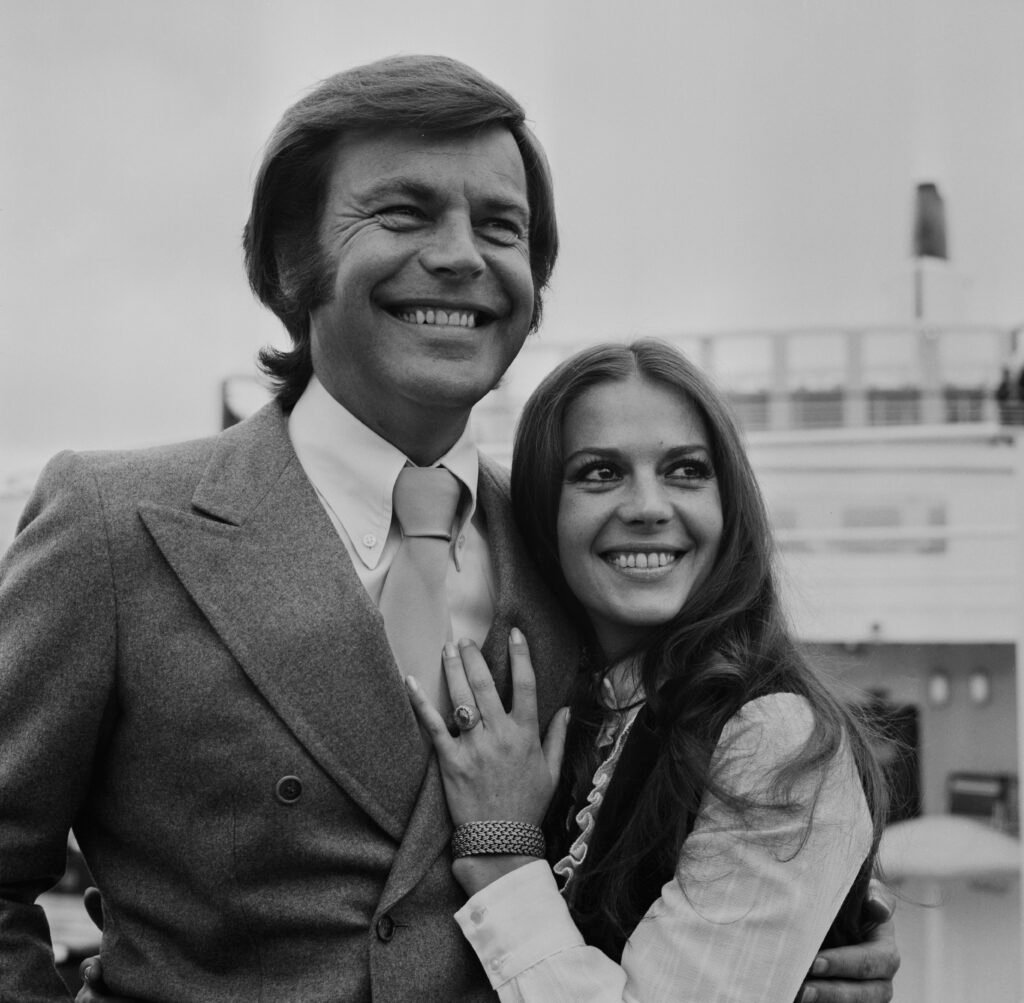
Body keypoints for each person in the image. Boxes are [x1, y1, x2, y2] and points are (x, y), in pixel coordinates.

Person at [0, 55, 897, 1002]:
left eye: (500, 226)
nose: (463, 254)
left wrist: (814, 941)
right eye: (404, 212)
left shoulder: (577, 561)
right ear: (291, 259)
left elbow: (680, 817)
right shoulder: (114, 526)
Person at [408, 339, 890, 1001]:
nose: (648, 506)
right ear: (545, 516)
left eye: (686, 470)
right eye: (600, 472)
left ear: (730, 504)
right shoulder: (575, 707)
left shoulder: (772, 738)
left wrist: (505, 852)